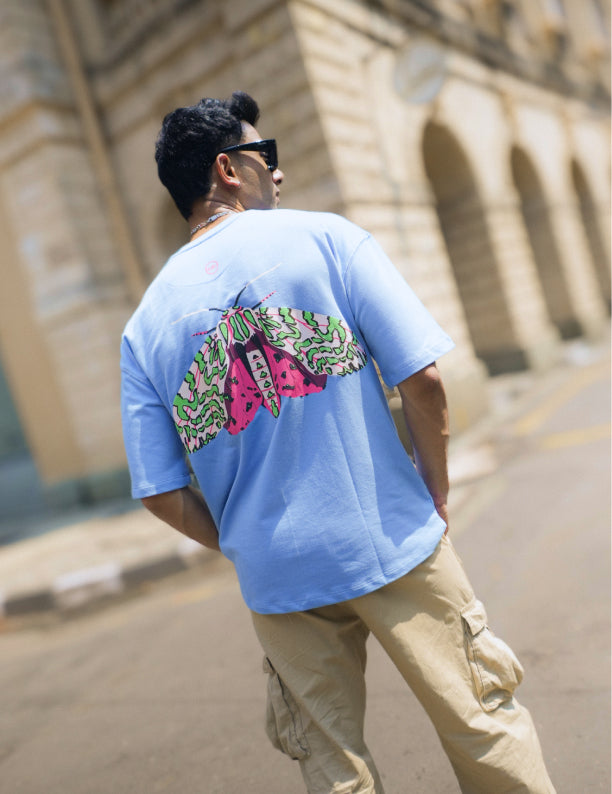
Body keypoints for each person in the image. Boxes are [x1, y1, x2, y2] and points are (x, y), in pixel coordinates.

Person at [120, 91, 555, 793]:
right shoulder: (326, 238)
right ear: (228, 169)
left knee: (333, 767)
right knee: (480, 719)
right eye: (266, 154)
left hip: (279, 582)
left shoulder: (144, 327)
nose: (278, 171)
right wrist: (434, 488)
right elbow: (423, 381)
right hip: (389, 534)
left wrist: (245, 541)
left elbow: (160, 491)